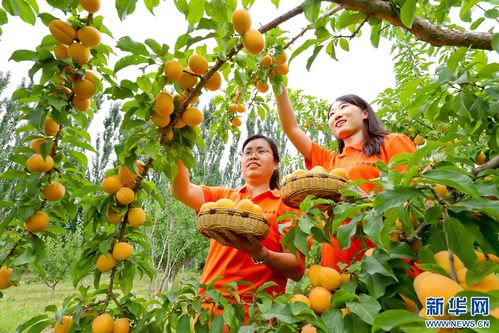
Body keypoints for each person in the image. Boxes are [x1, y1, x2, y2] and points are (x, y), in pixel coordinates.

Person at [275, 87, 416, 271]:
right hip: (339, 264)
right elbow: (291, 128)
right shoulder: (329, 162)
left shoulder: (391, 142)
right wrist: (277, 81)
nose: (336, 115)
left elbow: (414, 193)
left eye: (343, 108)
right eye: (331, 114)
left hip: (387, 255)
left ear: (365, 113)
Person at [171, 134, 305, 315]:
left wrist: (261, 254)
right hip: (210, 308)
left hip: (256, 314)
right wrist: (176, 143)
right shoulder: (223, 198)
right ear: (241, 162)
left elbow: (297, 269)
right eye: (247, 152)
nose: (253, 156)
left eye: (261, 151)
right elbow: (182, 191)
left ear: (275, 163)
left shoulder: (287, 205)